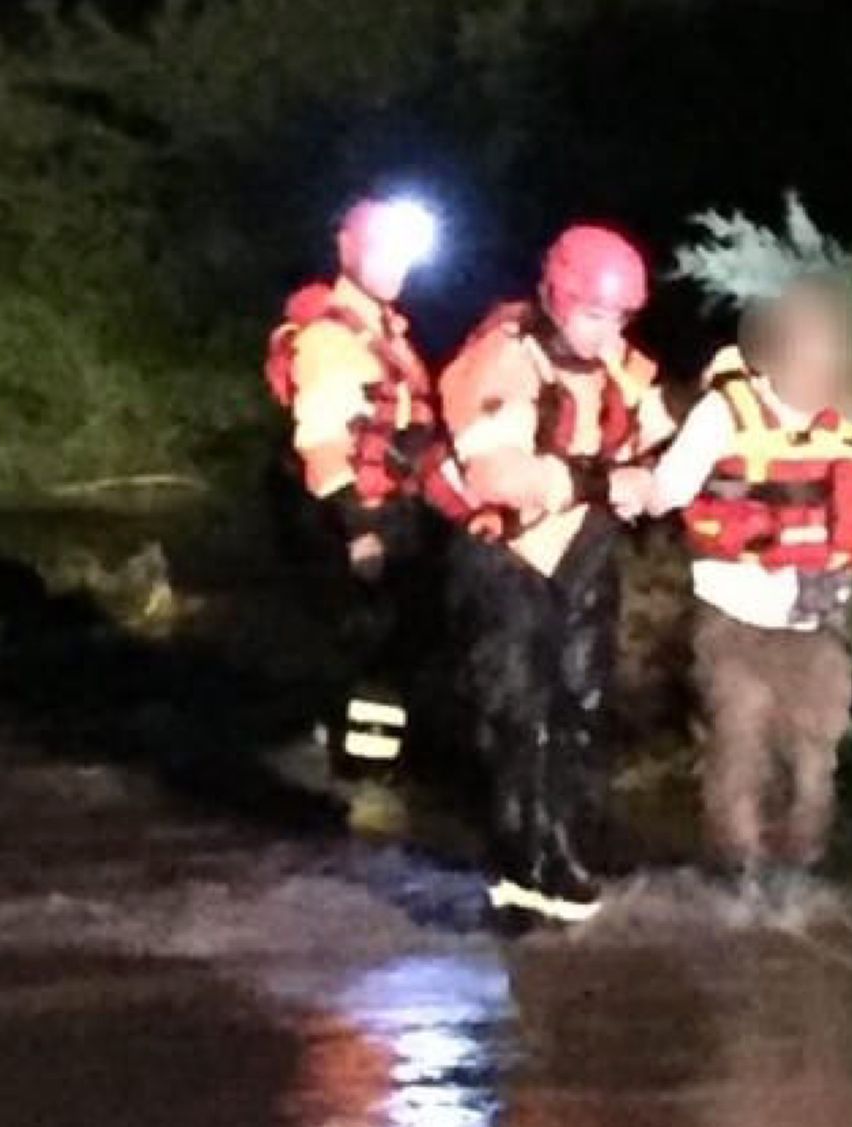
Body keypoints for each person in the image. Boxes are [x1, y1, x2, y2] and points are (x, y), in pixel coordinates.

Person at [647, 276, 852, 907]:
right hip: (733, 616)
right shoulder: (723, 414)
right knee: (741, 745)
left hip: (819, 620)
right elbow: (665, 492)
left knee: (814, 767)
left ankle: (796, 880)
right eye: (806, 353)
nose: (818, 369)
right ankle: (738, 883)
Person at [425, 224, 677, 926]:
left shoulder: (622, 365)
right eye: (595, 316)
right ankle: (519, 860)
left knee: (580, 705)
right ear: (559, 300)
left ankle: (562, 845)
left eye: (619, 318)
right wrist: (603, 477)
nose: (606, 333)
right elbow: (500, 474)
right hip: (505, 557)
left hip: (582, 552)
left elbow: (662, 443)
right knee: (518, 712)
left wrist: (654, 479)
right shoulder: (503, 360)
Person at [264, 196, 446, 788]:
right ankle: (360, 780)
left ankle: (360, 764)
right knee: (369, 653)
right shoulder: (330, 338)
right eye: (384, 256)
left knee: (388, 650)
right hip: (347, 515)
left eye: (402, 259)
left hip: (391, 507)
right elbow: (322, 442)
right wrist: (359, 528)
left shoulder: (384, 329)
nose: (396, 269)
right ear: (353, 254)